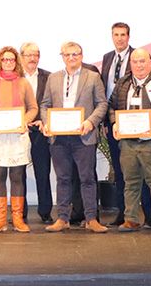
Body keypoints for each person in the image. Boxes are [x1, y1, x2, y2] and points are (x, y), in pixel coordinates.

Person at [40, 41, 109, 233]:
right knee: (63, 178)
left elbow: (102, 104)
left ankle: (91, 218)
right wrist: (47, 123)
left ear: (81, 56)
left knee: (87, 179)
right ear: (62, 57)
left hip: (84, 136)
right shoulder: (53, 78)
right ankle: (63, 218)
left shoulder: (93, 77)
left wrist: (91, 122)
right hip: (59, 137)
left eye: (75, 54)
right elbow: (44, 105)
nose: (71, 58)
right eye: (67, 54)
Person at [110, 47, 151, 233]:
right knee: (130, 182)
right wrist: (114, 122)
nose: (139, 65)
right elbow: (111, 106)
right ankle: (131, 219)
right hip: (128, 142)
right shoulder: (122, 84)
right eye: (135, 62)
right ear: (130, 64)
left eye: (142, 61)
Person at [0, 46, 38, 233]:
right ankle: (0, 220)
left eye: (11, 59)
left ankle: (18, 219)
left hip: (17, 136)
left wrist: (24, 121)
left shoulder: (24, 83)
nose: (8, 63)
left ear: (16, 62)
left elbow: (33, 108)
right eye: (5, 59)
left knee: (17, 177)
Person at [99, 22, 134, 225]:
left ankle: (144, 213)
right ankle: (122, 212)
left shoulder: (138, 56)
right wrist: (105, 121)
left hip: (134, 120)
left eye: (123, 35)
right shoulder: (107, 58)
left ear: (129, 37)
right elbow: (105, 92)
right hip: (112, 121)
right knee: (119, 169)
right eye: (116, 35)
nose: (119, 38)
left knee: (135, 170)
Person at [20, 42, 53, 224]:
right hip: (19, 131)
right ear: (21, 57)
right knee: (19, 173)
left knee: (43, 171)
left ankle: (45, 211)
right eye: (29, 55)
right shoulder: (15, 77)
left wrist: (44, 120)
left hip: (40, 130)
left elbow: (52, 102)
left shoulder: (49, 77)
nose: (33, 58)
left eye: (36, 55)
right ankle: (20, 212)